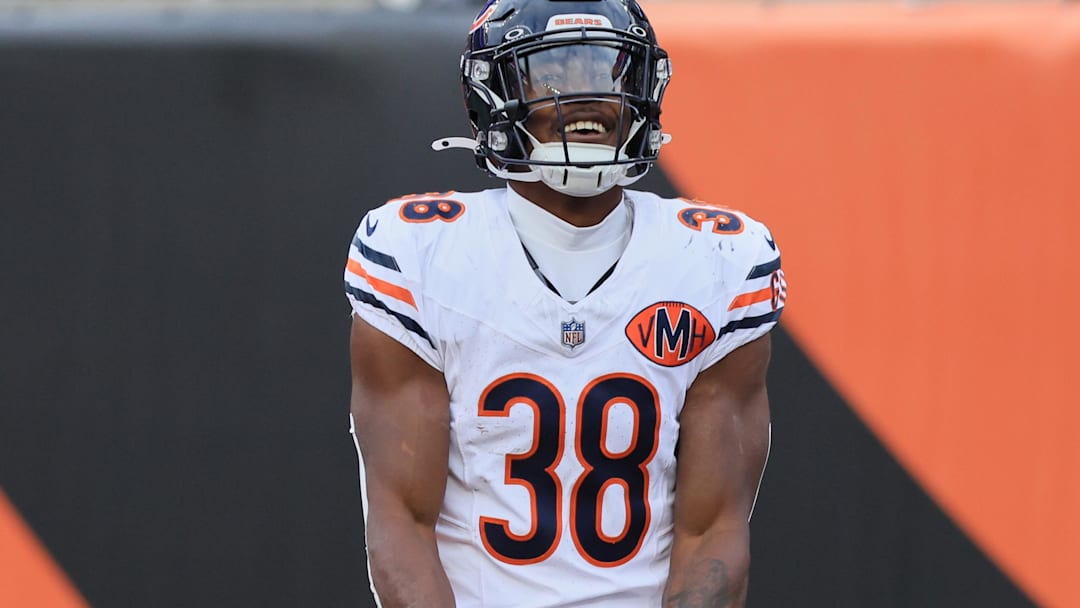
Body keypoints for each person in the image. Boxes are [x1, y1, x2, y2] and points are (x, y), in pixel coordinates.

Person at [344, 0, 787, 605]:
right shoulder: (417, 250)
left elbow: (713, 529)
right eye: (554, 72)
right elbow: (400, 519)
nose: (587, 99)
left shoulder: (717, 260)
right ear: (491, 96)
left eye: (610, 72)